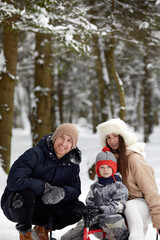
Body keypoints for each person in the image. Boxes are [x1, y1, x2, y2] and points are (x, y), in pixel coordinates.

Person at [1, 123, 85, 240]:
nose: (64, 143)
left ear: (73, 145)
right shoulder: (34, 154)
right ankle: (25, 232)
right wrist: (44, 187)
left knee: (78, 208)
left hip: (44, 205)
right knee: (26, 195)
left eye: (69, 140)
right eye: (61, 137)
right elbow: (14, 180)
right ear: (55, 137)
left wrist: (62, 192)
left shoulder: (72, 164)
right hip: (17, 204)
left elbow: (75, 190)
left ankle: (42, 229)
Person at [96, 118, 160, 240]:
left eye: (115, 136)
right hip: (121, 206)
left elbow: (151, 191)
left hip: (141, 205)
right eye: (108, 137)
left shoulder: (135, 159)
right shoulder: (109, 162)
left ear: (123, 136)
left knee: (129, 206)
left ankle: (136, 237)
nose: (112, 141)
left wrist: (158, 220)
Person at [61, 147, 129, 240]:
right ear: (98, 169)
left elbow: (120, 205)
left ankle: (120, 238)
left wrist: (106, 209)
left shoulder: (119, 186)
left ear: (114, 168)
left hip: (113, 219)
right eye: (102, 167)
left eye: (109, 166)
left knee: (111, 219)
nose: (105, 170)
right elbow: (89, 201)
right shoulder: (95, 187)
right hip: (96, 218)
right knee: (80, 227)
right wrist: (90, 210)